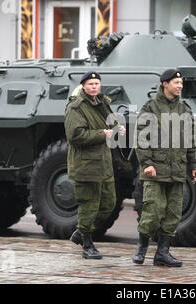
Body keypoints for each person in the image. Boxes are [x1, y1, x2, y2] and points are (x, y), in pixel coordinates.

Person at [133, 69, 196, 267]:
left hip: (177, 170)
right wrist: (147, 164)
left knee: (173, 214)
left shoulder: (185, 109)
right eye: (176, 82)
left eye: (181, 83)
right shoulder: (151, 107)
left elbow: (192, 139)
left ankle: (163, 253)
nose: (180, 86)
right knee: (152, 212)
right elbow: (141, 138)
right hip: (155, 170)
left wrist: (195, 164)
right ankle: (141, 249)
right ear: (165, 84)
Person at [64, 71, 125, 259]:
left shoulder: (102, 103)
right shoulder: (76, 107)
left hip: (103, 163)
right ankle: (87, 244)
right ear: (83, 86)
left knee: (108, 203)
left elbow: (110, 122)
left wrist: (117, 127)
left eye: (97, 83)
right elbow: (75, 136)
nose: (94, 87)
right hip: (86, 164)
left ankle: (81, 232)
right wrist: (102, 134)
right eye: (90, 84)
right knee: (89, 205)